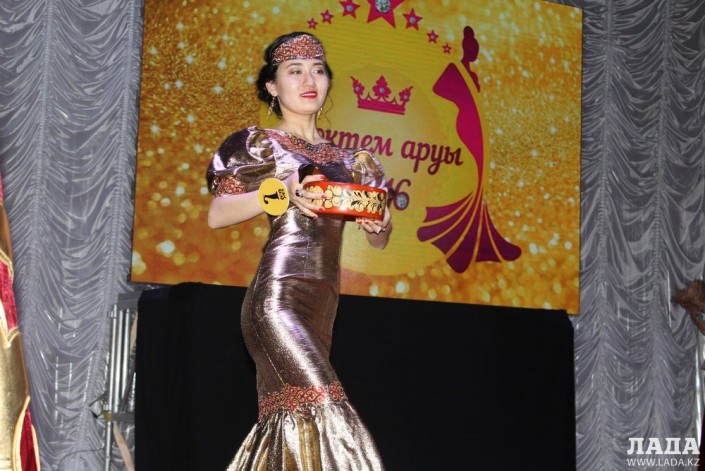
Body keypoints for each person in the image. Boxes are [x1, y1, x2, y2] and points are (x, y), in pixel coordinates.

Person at [206, 32, 390, 470]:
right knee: (326, 405)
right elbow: (218, 215)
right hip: (277, 299)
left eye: (317, 70)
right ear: (272, 86)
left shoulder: (353, 161)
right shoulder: (260, 145)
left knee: (292, 423)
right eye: (295, 71)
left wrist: (379, 225)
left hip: (323, 301)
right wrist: (282, 189)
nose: (309, 80)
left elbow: (379, 237)